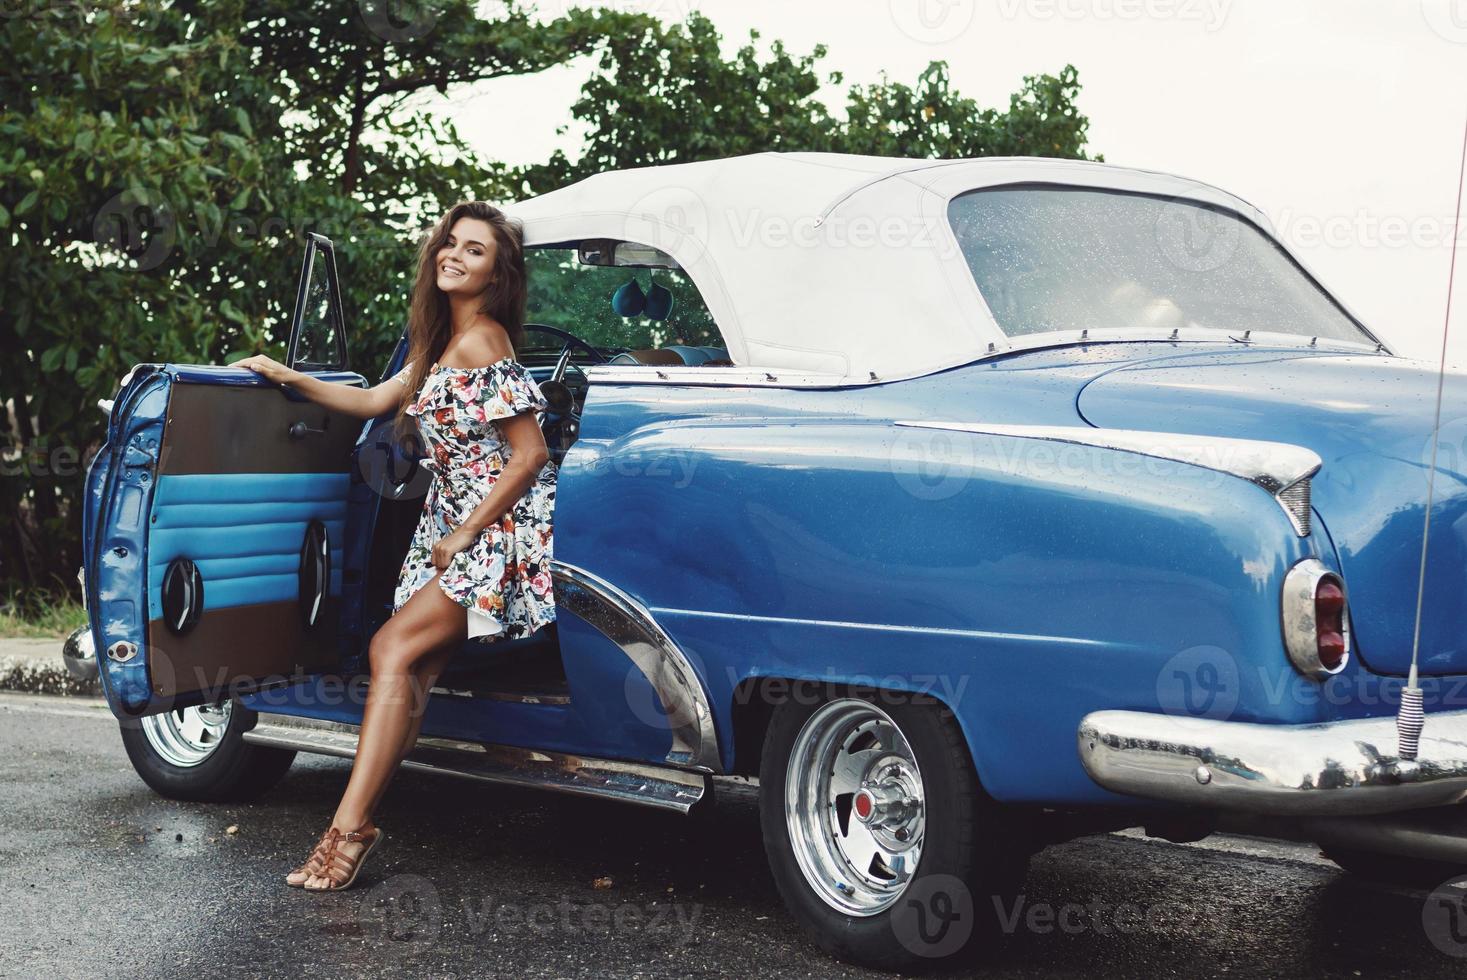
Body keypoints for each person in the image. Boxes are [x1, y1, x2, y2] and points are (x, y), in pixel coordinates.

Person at [236, 201, 557, 891]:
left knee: (391, 650)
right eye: (450, 243)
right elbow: (376, 401)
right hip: (450, 522)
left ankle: (348, 830)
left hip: (492, 529)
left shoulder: (484, 342)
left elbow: (529, 455)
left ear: (497, 275)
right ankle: (354, 825)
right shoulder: (441, 340)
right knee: (413, 674)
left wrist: (467, 532)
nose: (453, 255)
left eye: (474, 251)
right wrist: (288, 379)